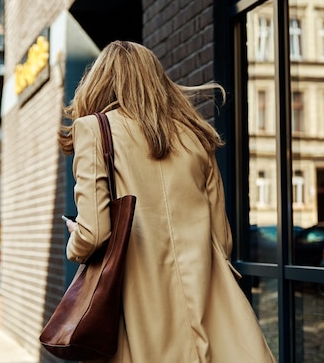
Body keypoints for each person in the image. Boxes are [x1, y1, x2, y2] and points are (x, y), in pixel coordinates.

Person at [58, 41, 276, 363]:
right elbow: (222, 241)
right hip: (206, 309)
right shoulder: (196, 136)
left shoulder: (93, 130)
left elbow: (94, 233)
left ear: (99, 82)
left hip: (138, 313)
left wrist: (75, 239)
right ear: (157, 81)